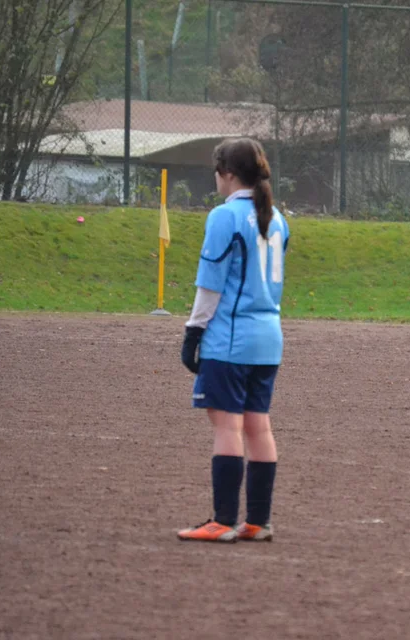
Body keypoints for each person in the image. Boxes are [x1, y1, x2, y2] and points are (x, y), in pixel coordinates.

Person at [177, 138, 289, 543]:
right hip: (268, 340)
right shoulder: (277, 218)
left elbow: (211, 283)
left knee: (227, 425)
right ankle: (257, 522)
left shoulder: (224, 216)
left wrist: (193, 332)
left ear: (226, 174)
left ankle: (222, 521)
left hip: (231, 340)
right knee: (259, 427)